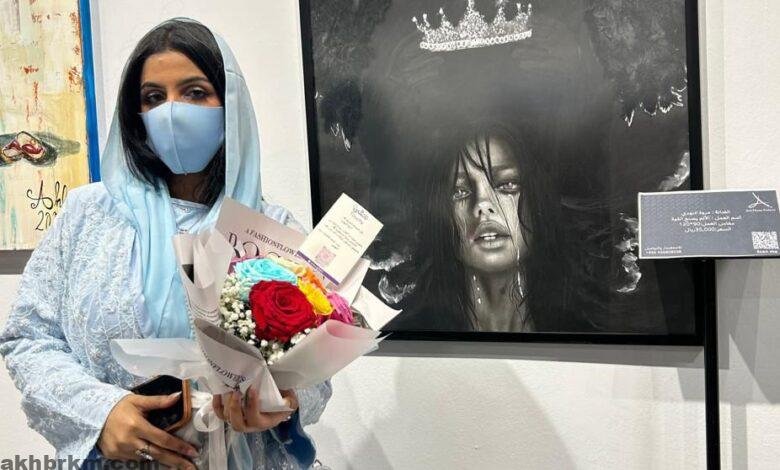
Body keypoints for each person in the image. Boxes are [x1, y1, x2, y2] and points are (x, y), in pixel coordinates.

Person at [0, 19, 331, 469]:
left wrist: (281, 401)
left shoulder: (272, 230)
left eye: (195, 92)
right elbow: (28, 336)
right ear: (134, 114)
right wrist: (99, 413)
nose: (172, 112)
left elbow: (316, 374)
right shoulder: (88, 216)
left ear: (230, 104)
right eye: (154, 98)